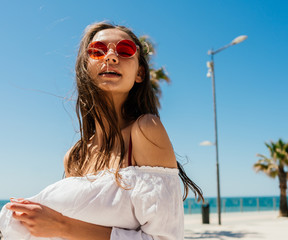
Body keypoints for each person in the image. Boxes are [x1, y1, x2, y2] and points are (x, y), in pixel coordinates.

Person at [0, 22, 203, 240]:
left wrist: (61, 225)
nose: (111, 57)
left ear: (140, 73)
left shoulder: (145, 130)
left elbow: (165, 238)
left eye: (125, 50)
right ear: (85, 69)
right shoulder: (75, 156)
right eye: (97, 51)